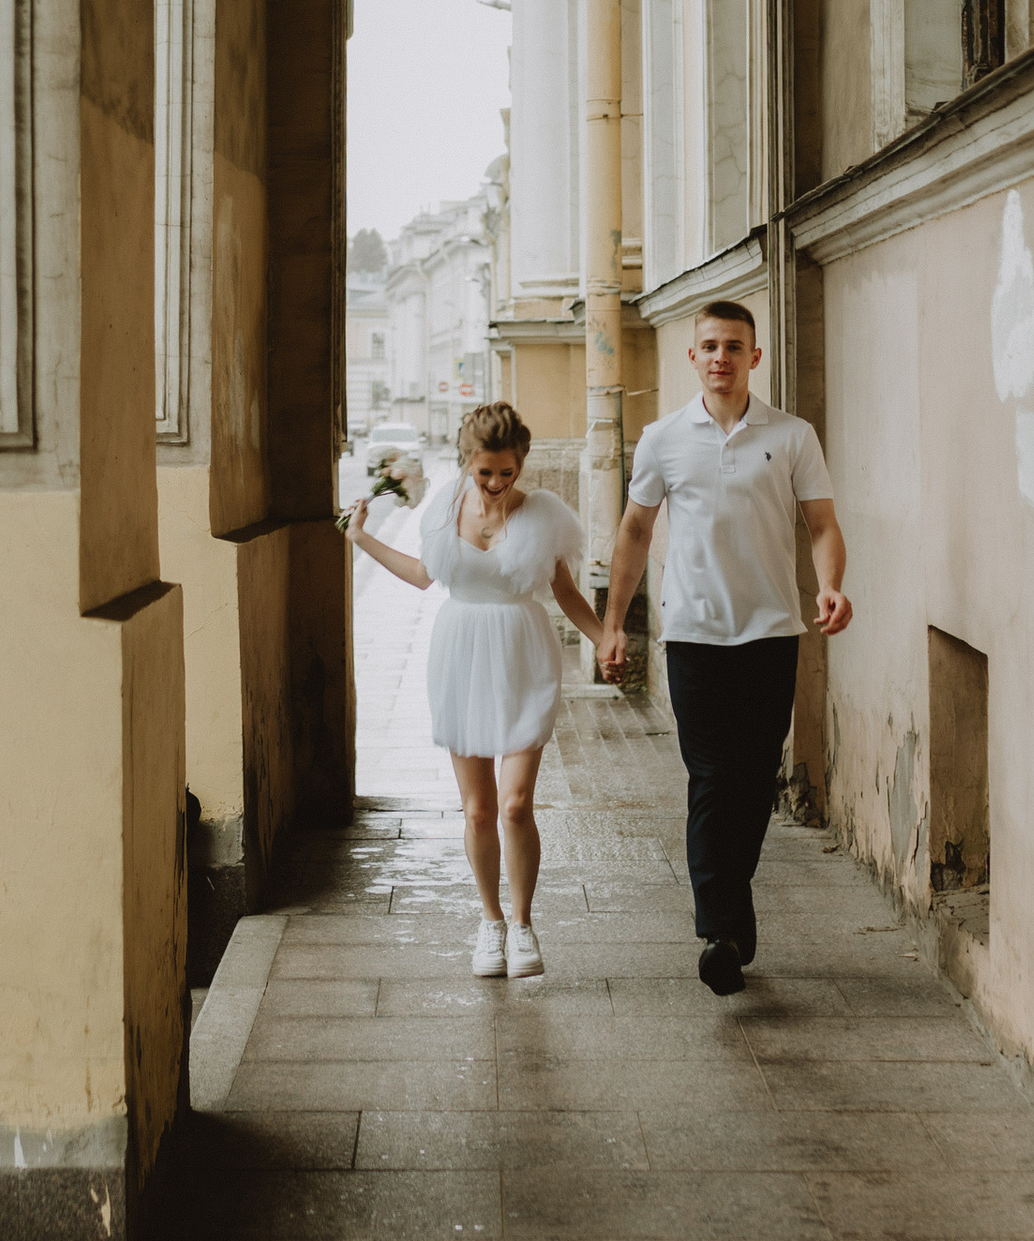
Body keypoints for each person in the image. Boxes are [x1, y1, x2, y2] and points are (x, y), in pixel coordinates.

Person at [595, 301, 850, 996]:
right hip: (695, 635)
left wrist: (830, 586)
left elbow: (822, 523)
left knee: (753, 781)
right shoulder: (662, 438)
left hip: (771, 634)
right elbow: (634, 534)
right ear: (693, 357)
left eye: (734, 346)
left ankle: (732, 913)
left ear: (754, 357)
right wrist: (614, 623)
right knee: (710, 779)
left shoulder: (792, 436)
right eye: (708, 345)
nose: (720, 357)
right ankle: (720, 931)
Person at [347, 401, 600, 979]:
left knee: (515, 804)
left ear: (521, 464)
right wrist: (361, 537)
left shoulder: (543, 516)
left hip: (523, 653)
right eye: (484, 472)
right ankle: (490, 924)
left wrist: (605, 636)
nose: (494, 484)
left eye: (506, 473)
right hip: (460, 653)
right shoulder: (443, 510)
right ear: (468, 462)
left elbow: (563, 592)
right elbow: (421, 575)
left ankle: (523, 923)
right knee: (480, 808)